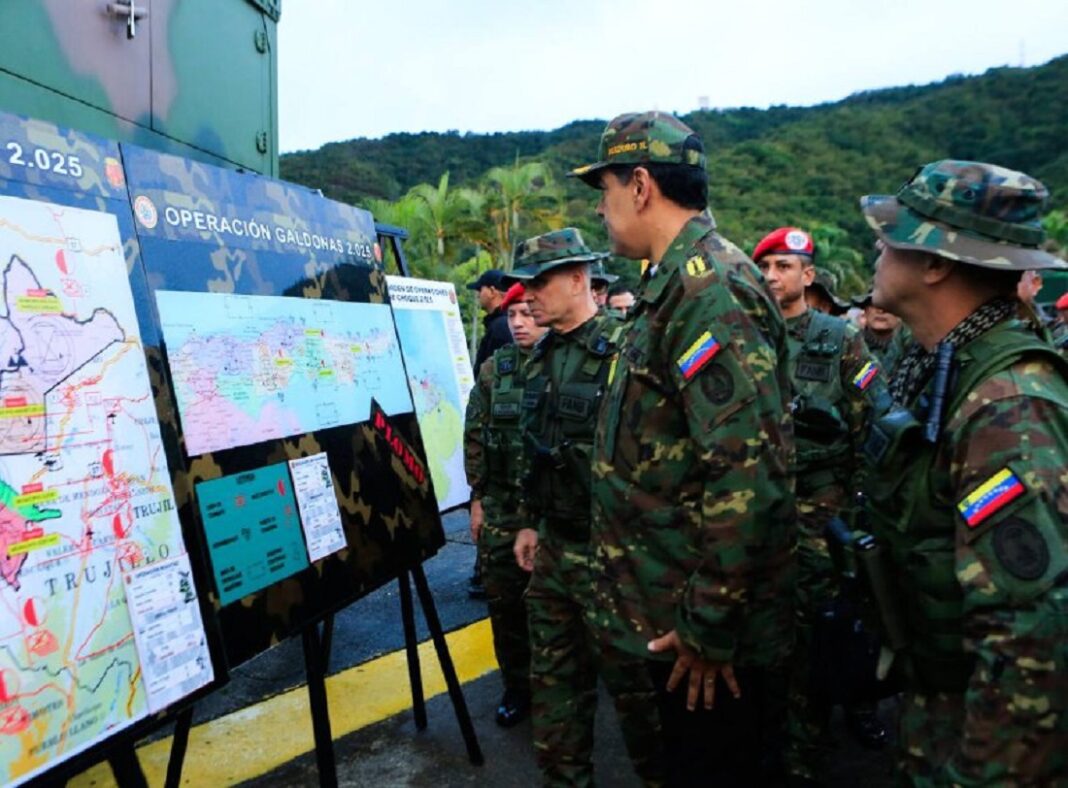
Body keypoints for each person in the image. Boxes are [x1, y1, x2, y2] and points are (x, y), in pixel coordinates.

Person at [570, 111, 796, 786]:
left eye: (605, 189)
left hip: (704, 641)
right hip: (672, 612)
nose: (603, 210)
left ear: (640, 186)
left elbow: (748, 471)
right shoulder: (671, 288)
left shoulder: (707, 291)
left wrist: (708, 624)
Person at [858, 159, 1068, 783]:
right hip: (940, 703)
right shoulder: (945, 362)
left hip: (984, 740)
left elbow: (1033, 637)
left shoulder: (1006, 404)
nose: (877, 245)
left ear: (934, 262)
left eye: (891, 235)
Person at [508, 228, 663, 787]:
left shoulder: (628, 349)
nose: (528, 296)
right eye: (525, 285)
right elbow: (535, 445)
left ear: (579, 280)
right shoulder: (539, 357)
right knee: (554, 695)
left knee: (641, 703)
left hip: (615, 560)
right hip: (556, 551)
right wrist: (530, 520)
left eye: (540, 282)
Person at [753, 226, 890, 782]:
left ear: (808, 276)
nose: (771, 277)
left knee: (832, 632)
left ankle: (846, 715)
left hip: (825, 513)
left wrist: (851, 512)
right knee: (777, 638)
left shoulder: (839, 338)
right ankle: (790, 744)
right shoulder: (751, 337)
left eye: (783, 267)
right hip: (766, 513)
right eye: (766, 267)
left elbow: (871, 424)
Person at [463, 282, 546, 727]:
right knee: (504, 606)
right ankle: (517, 687)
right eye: (511, 315)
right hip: (502, 510)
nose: (518, 323)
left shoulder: (561, 364)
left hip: (550, 515)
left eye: (527, 313)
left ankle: (559, 690)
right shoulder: (496, 370)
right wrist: (478, 500)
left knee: (551, 610)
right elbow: (475, 434)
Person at [465, 267, 514, 598]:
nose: (477, 295)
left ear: (494, 291)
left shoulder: (499, 330)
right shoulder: (497, 327)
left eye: (479, 289)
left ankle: (486, 572)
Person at [854, 290, 912, 376]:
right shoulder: (851, 345)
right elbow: (859, 384)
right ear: (865, 311)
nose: (881, 311)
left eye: (888, 304)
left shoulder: (913, 347)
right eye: (874, 303)